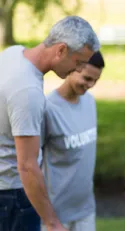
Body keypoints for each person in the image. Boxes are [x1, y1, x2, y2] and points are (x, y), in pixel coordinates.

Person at [0, 16, 99, 231]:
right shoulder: (28, 92)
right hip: (12, 195)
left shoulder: (13, 54)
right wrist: (52, 222)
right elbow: (27, 165)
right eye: (79, 62)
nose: (77, 69)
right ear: (61, 50)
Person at [40, 51, 105, 231]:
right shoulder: (48, 109)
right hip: (55, 215)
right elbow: (31, 163)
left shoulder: (89, 102)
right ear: (73, 68)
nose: (90, 85)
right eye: (86, 78)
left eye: (95, 81)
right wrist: (48, 218)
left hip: (85, 211)